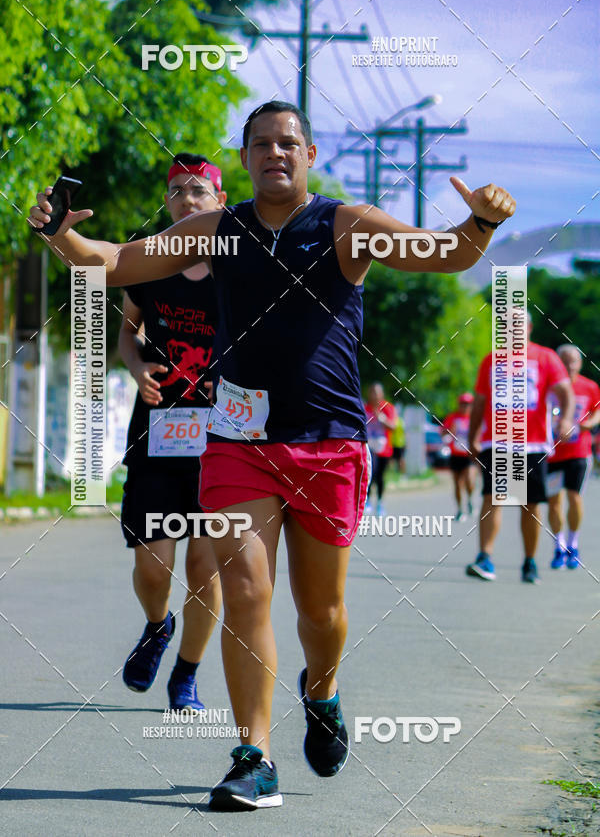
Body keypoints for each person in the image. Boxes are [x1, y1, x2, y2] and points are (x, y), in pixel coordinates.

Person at [29, 99, 516, 812]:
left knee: (321, 612)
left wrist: (483, 220)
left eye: (288, 143)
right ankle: (252, 756)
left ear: (309, 154)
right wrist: (61, 239)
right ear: (246, 157)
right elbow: (117, 262)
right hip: (237, 442)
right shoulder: (218, 230)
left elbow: (443, 253)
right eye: (260, 144)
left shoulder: (344, 223)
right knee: (247, 590)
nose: (274, 154)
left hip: (328, 443)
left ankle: (321, 692)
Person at [118, 154, 226, 711]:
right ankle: (157, 626)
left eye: (200, 191)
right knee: (152, 565)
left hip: (224, 444)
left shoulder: (239, 274)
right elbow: (126, 336)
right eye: (179, 191)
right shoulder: (150, 269)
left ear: (220, 202)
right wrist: (137, 370)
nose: (189, 199)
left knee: (205, 567)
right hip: (159, 435)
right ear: (167, 202)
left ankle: (186, 674)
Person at [466, 315, 574, 584]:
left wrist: (566, 418)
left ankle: (529, 561)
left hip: (533, 443)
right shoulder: (491, 360)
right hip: (498, 442)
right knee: (493, 497)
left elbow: (565, 392)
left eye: (518, 325)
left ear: (528, 328)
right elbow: (479, 402)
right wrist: (472, 436)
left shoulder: (546, 357)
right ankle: (485, 558)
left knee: (531, 504)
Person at [547, 344, 600, 570]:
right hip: (551, 453)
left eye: (574, 361)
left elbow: (598, 410)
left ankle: (573, 543)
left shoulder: (590, 387)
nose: (569, 365)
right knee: (554, 501)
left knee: (574, 497)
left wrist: (591, 422)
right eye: (565, 361)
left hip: (579, 451)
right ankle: (558, 545)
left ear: (580, 363)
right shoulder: (549, 386)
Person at [364, 382, 397, 515]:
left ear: (381, 394)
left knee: (380, 476)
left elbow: (393, 427)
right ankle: (367, 501)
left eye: (377, 393)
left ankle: (380, 503)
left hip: (384, 448)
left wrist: (381, 419)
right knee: (370, 472)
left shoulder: (388, 408)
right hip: (369, 447)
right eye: (372, 392)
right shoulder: (364, 408)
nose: (374, 396)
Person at [442, 393, 476, 521]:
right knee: (457, 484)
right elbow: (443, 432)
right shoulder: (453, 417)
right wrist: (450, 430)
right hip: (455, 455)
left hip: (469, 456)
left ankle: (470, 500)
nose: (465, 406)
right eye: (463, 404)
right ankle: (460, 509)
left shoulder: (474, 418)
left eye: (467, 404)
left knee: (469, 480)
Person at [390, 406, 406, 474]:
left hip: (395, 442)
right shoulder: (401, 421)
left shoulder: (394, 420)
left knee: (395, 459)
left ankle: (394, 472)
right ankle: (401, 473)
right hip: (401, 442)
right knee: (400, 459)